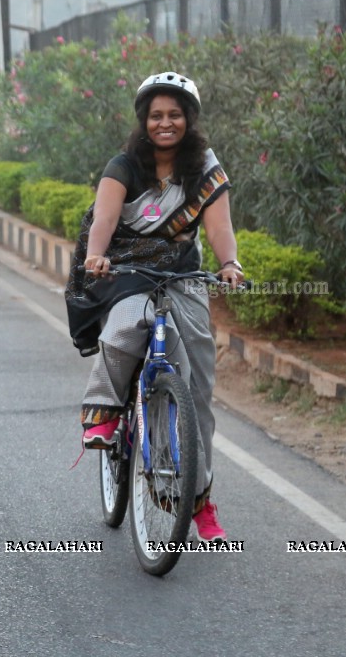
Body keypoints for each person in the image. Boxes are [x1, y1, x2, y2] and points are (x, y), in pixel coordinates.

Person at [64, 71, 243, 543]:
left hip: (181, 272)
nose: (166, 123)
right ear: (145, 120)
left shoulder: (204, 166)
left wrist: (230, 263)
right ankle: (103, 413)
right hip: (124, 269)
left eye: (175, 115)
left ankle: (199, 501)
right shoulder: (125, 164)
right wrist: (96, 256)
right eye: (157, 115)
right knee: (126, 326)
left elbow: (220, 226)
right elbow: (104, 217)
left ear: (189, 119)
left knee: (197, 389)